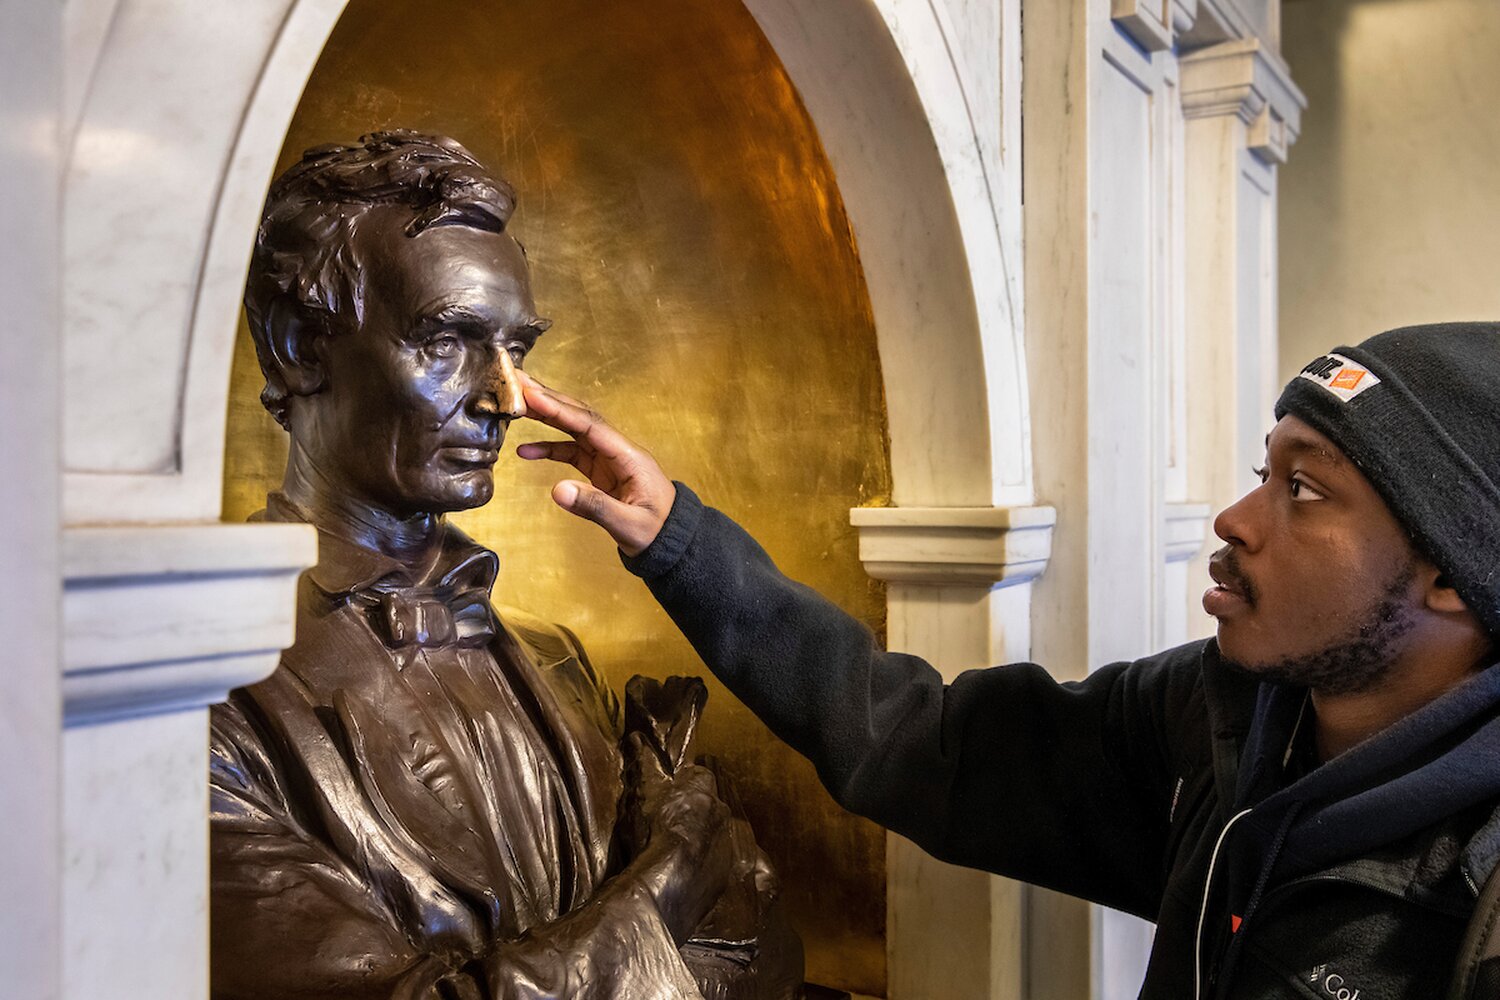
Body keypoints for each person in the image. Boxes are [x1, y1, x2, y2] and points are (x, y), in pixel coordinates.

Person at [515, 323, 1500, 999]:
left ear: (1453, 575)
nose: (1236, 519)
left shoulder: (1481, 908)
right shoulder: (1228, 718)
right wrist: (678, 541)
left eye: (1305, 490)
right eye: (1261, 472)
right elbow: (925, 740)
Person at [209, 131, 801, 1000]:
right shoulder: (203, 707)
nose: (504, 399)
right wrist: (663, 893)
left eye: (515, 348)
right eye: (447, 339)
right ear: (301, 346)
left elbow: (762, 948)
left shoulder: (558, 658)